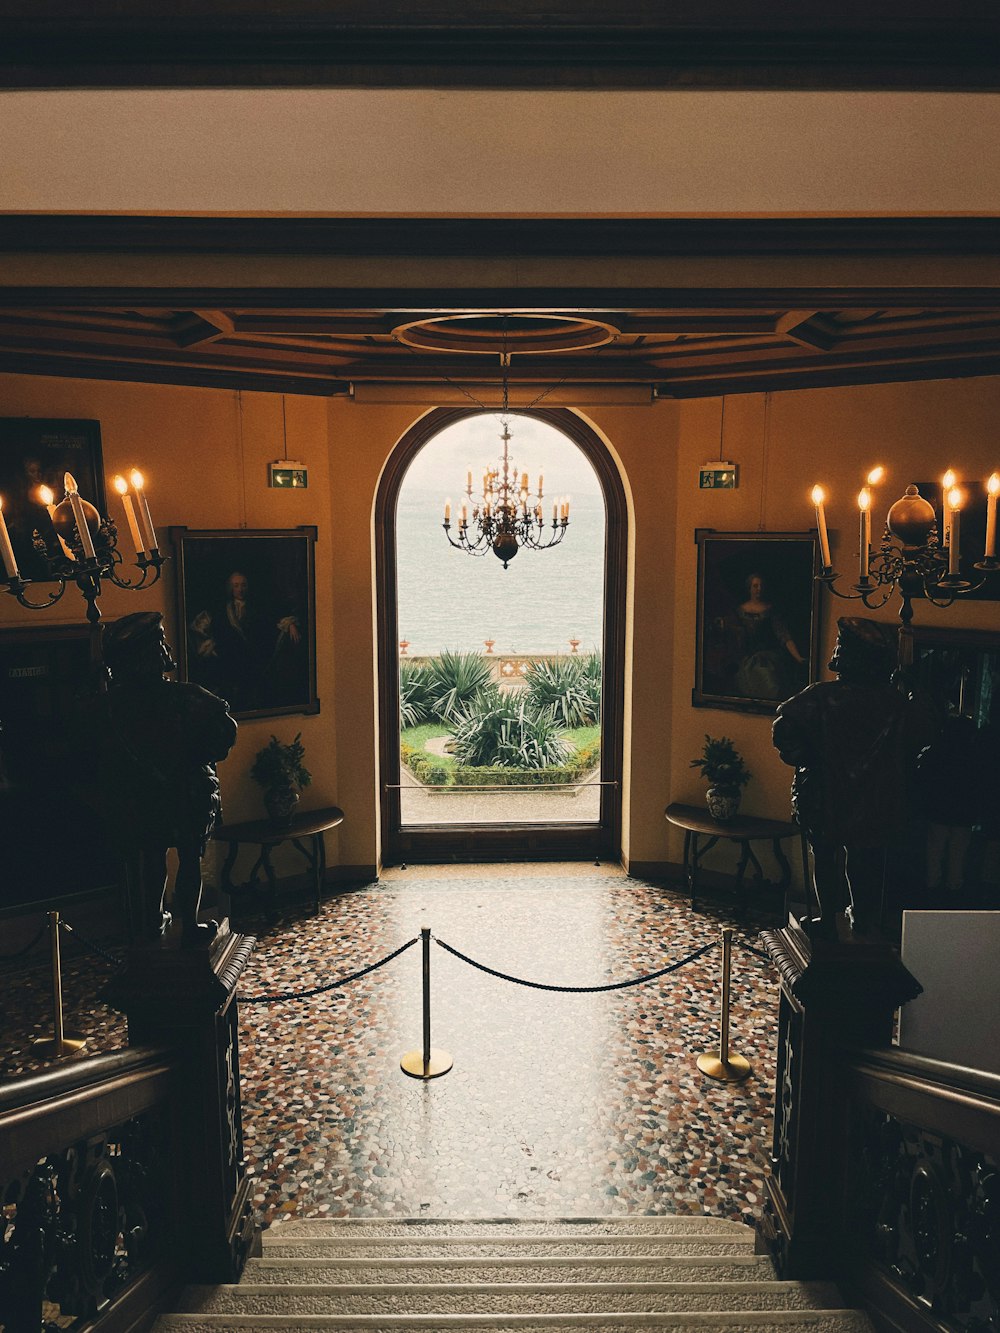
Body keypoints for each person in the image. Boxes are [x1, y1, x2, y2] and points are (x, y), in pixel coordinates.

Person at [772, 616, 927, 939]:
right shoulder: (895, 702)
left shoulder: (819, 696)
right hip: (873, 798)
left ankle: (828, 919)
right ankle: (862, 920)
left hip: (826, 794)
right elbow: (918, 740)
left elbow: (783, 729)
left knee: (827, 857)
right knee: (864, 858)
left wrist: (806, 760)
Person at [98, 611, 238, 945]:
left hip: (148, 795)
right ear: (147, 655)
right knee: (188, 856)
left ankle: (153, 923)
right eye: (160, 642)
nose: (166, 647)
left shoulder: (114, 705)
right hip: (186, 793)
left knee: (153, 856)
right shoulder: (188, 697)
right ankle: (187, 925)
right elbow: (225, 733)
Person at [188, 569, 302, 713]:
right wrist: (213, 648)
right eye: (236, 586)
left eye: (243, 585)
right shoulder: (219, 609)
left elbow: (275, 618)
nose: (240, 589)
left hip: (254, 660)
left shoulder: (258, 607)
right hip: (229, 660)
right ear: (230, 588)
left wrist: (290, 625)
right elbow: (198, 628)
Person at [711, 572, 806, 702]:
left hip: (768, 658)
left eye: (761, 586)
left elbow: (783, 635)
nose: (759, 589)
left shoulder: (770, 610)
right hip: (746, 660)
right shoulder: (739, 611)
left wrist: (798, 657)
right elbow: (731, 630)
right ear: (749, 588)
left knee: (771, 684)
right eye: (755, 586)